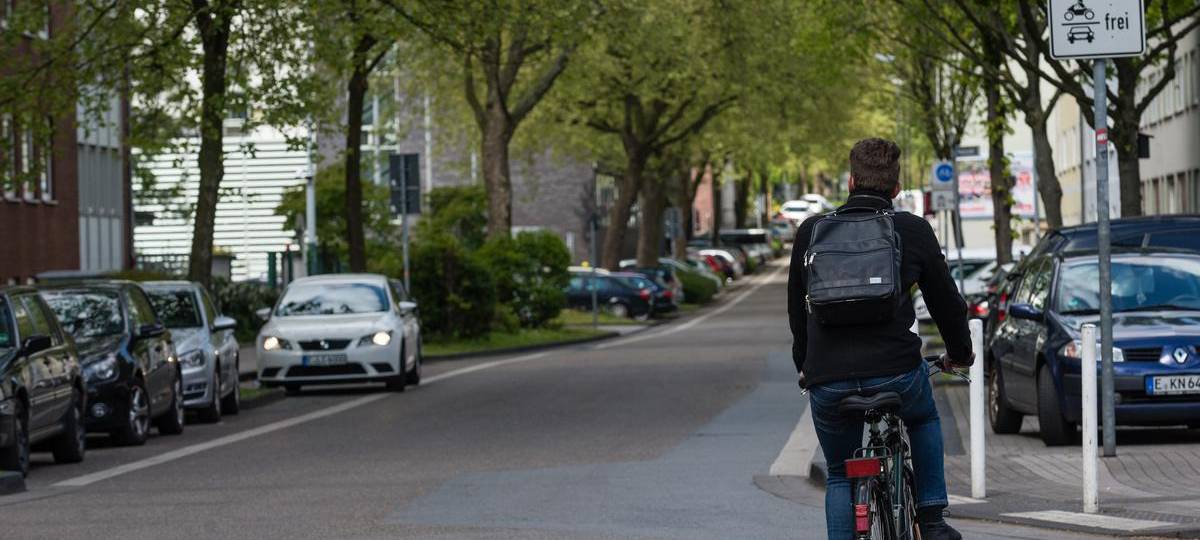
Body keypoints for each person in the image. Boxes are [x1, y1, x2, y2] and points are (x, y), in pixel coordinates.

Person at [788, 138, 973, 540]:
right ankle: (932, 519)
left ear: (851, 180)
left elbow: (796, 313)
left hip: (829, 380)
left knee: (839, 474)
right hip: (897, 374)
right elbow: (947, 304)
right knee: (923, 417)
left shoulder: (811, 232)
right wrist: (961, 355)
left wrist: (806, 365)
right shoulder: (912, 229)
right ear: (896, 188)